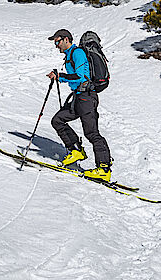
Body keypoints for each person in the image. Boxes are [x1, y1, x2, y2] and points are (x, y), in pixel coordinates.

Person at [46, 28, 112, 182]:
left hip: (86, 98)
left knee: (92, 133)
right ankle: (76, 151)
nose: (56, 45)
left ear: (66, 39)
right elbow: (74, 78)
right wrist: (58, 77)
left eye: (57, 41)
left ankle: (104, 168)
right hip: (78, 97)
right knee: (58, 120)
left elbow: (81, 76)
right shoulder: (69, 56)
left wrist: (61, 76)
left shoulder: (77, 53)